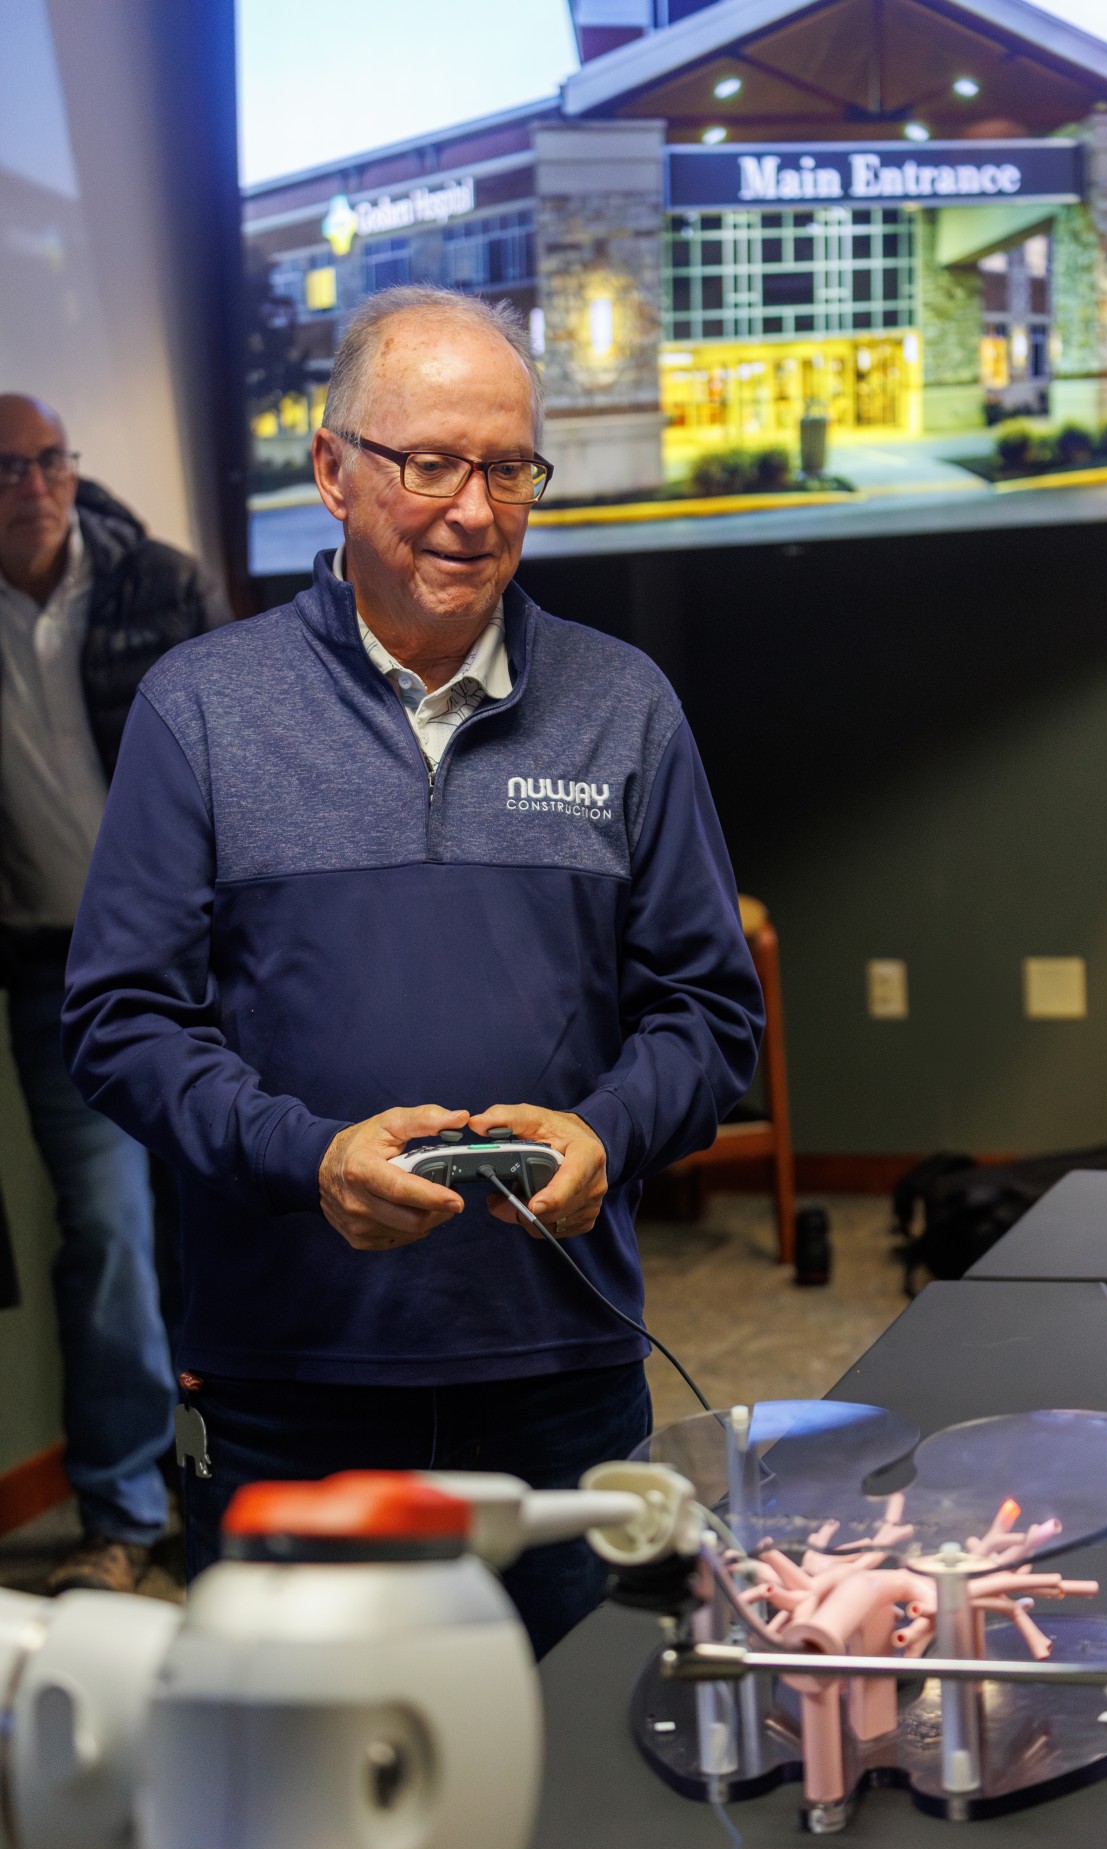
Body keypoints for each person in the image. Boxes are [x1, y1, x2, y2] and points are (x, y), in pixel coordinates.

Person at [63, 287, 763, 1656]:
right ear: (332, 470)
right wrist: (303, 1157)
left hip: (560, 1375)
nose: (476, 508)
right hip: (288, 1384)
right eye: (430, 461)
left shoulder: (627, 705)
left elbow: (708, 1007)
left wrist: (605, 1133)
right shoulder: (203, 709)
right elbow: (122, 1019)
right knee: (309, 1806)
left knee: (582, 1798)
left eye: (510, 468)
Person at [0, 393, 230, 1594]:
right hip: (52, 974)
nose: (32, 486)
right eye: (6, 469)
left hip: (193, 965)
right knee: (107, 1240)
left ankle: (228, 1504)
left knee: (220, 1228)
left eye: (48, 461)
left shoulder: (162, 586)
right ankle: (122, 1518)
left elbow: (245, 758)